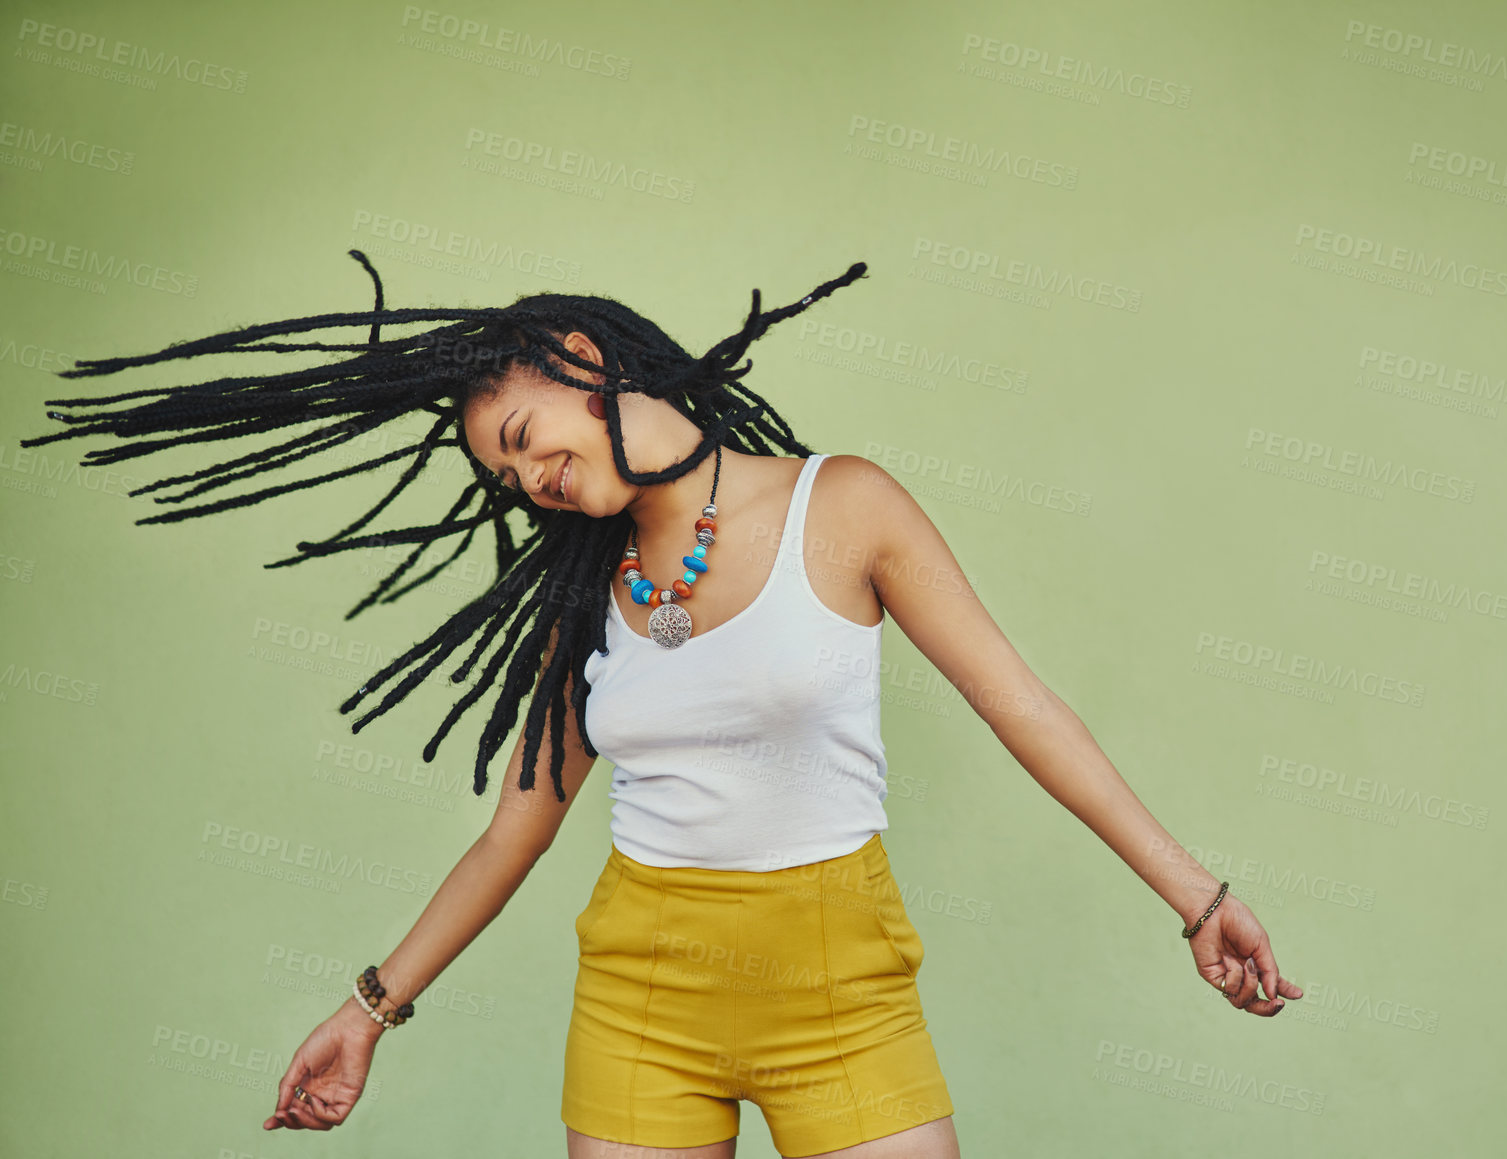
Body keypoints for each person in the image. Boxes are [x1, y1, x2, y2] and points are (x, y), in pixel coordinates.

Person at [27, 253, 1301, 1159]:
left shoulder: (842, 505)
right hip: (642, 986)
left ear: (587, 362)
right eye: (506, 471)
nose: (531, 477)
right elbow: (515, 830)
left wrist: (1196, 897)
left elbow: (1023, 706)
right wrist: (367, 1012)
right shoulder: (584, 588)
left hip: (840, 976)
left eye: (528, 431)